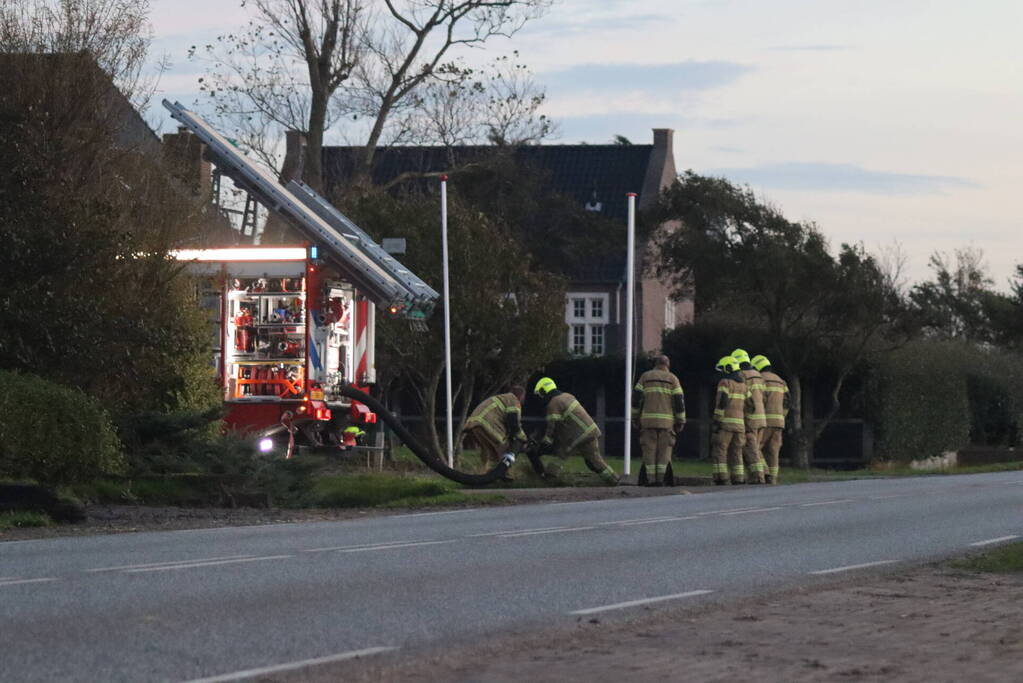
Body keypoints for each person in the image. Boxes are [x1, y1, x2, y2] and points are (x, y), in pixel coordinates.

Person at [533, 377, 619, 486]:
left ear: (544, 390)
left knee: (563, 456)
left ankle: (549, 480)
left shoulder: (553, 403)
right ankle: (613, 480)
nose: (540, 397)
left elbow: (552, 425)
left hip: (577, 435)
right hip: (587, 432)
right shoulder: (567, 396)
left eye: (540, 394)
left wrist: (546, 441)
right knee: (591, 461)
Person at [632, 355, 686, 486]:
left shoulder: (645, 377)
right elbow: (679, 402)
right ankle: (661, 480)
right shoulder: (673, 379)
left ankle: (650, 480)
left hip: (647, 422)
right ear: (668, 365)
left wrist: (635, 417)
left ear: (655, 364)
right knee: (664, 453)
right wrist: (680, 421)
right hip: (667, 424)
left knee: (649, 451)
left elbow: (636, 399)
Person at [464, 386, 528, 475]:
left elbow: (508, 423)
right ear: (521, 395)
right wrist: (523, 438)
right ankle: (504, 474)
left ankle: (489, 475)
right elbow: (513, 422)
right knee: (504, 449)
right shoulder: (513, 400)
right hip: (486, 424)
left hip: (473, 424)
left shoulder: (503, 398)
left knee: (492, 454)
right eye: (524, 397)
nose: (524, 399)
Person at [711, 356, 753, 484]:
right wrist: (745, 420)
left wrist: (717, 421)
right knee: (737, 452)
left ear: (728, 368)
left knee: (720, 450)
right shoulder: (744, 386)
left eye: (722, 369)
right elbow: (751, 405)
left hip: (725, 424)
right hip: (740, 426)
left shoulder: (725, 383)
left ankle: (721, 478)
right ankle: (738, 478)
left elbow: (722, 403)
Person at [731, 348, 768, 484]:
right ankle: (765, 473)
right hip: (761, 417)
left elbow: (744, 398)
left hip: (750, 418)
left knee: (750, 449)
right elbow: (764, 396)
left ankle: (759, 476)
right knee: (756, 448)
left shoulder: (741, 376)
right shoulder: (758, 375)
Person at [751, 355, 790, 484]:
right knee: (774, 451)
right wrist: (782, 416)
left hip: (765, 420)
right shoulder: (781, 381)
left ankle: (765, 472)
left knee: (756, 447)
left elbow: (759, 399)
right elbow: (787, 402)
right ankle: (773, 479)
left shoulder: (761, 380)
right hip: (779, 422)